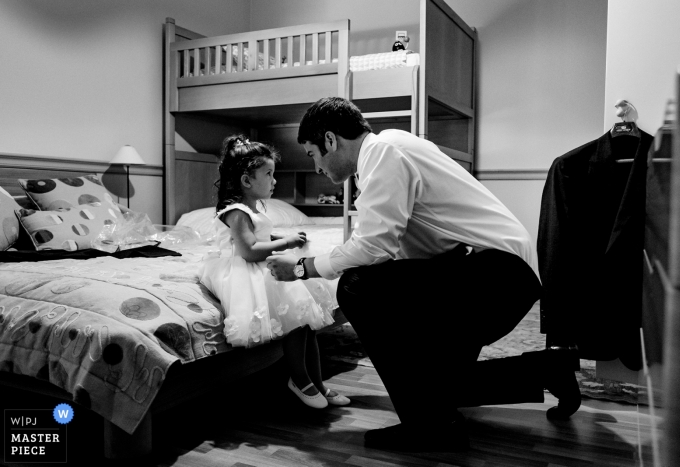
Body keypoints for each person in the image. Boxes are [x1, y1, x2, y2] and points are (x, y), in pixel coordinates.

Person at [266, 97, 581, 451]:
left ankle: (427, 425)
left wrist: (301, 268)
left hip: (497, 273)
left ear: (329, 140)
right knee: (438, 385)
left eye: (312, 154)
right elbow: (406, 252)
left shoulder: (383, 153)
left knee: (354, 288)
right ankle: (550, 370)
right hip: (498, 274)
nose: (317, 166)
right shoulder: (392, 149)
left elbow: (372, 246)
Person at [199, 135, 350, 409]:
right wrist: (288, 242)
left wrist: (280, 237)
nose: (274, 180)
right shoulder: (236, 212)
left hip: (260, 264)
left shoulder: (253, 209)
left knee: (309, 325)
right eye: (268, 174)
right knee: (296, 323)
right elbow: (249, 251)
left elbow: (261, 235)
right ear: (247, 180)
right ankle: (299, 378)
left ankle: (318, 383)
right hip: (245, 270)